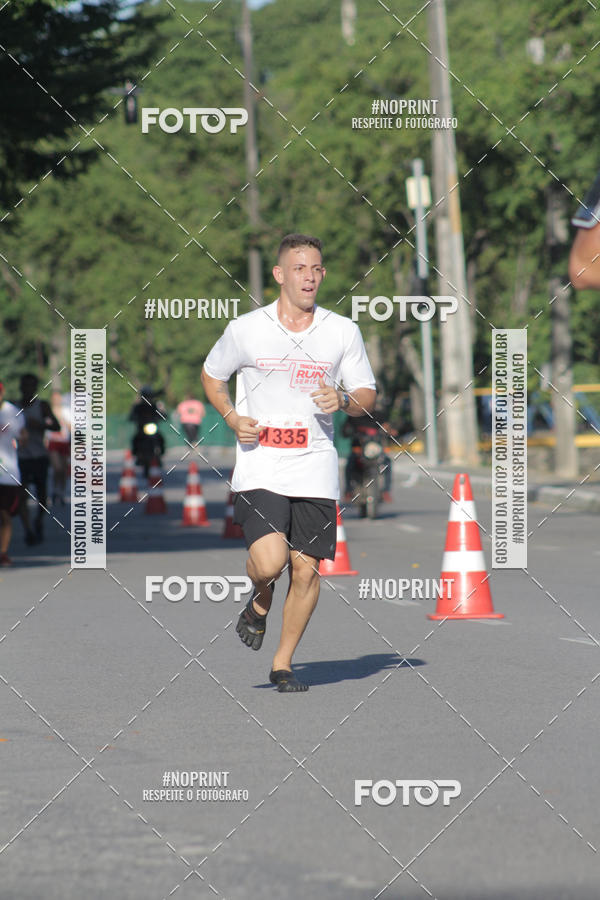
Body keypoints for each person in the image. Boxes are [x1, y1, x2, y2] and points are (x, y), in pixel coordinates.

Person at [201, 233, 376, 692]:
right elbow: (212, 374)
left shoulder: (342, 331)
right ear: (280, 274)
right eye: (300, 268)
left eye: (317, 268)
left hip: (315, 462)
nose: (310, 276)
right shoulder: (247, 329)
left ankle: (282, 663)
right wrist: (232, 416)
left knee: (307, 568)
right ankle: (259, 599)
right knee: (270, 562)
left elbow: (366, 394)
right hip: (262, 460)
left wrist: (342, 399)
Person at [16, 374, 60, 545]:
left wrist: (41, 425)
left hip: (40, 456)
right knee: (22, 495)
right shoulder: (14, 407)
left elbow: (56, 426)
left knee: (42, 495)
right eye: (25, 386)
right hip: (21, 457)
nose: (28, 389)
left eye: (31, 386)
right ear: (21, 388)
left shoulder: (42, 406)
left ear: (35, 388)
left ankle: (39, 520)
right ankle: (28, 530)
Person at [0, 381, 26, 566]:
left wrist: (22, 440)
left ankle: (3, 552)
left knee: (5, 515)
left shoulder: (11, 412)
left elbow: (23, 435)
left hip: (6, 472)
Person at [47, 390, 71, 506]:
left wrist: (64, 420)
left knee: (64, 469)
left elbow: (72, 427)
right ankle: (54, 490)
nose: (57, 400)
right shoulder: (48, 411)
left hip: (64, 442)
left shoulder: (66, 411)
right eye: (55, 398)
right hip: (53, 442)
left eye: (58, 398)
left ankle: (61, 492)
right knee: (57, 468)